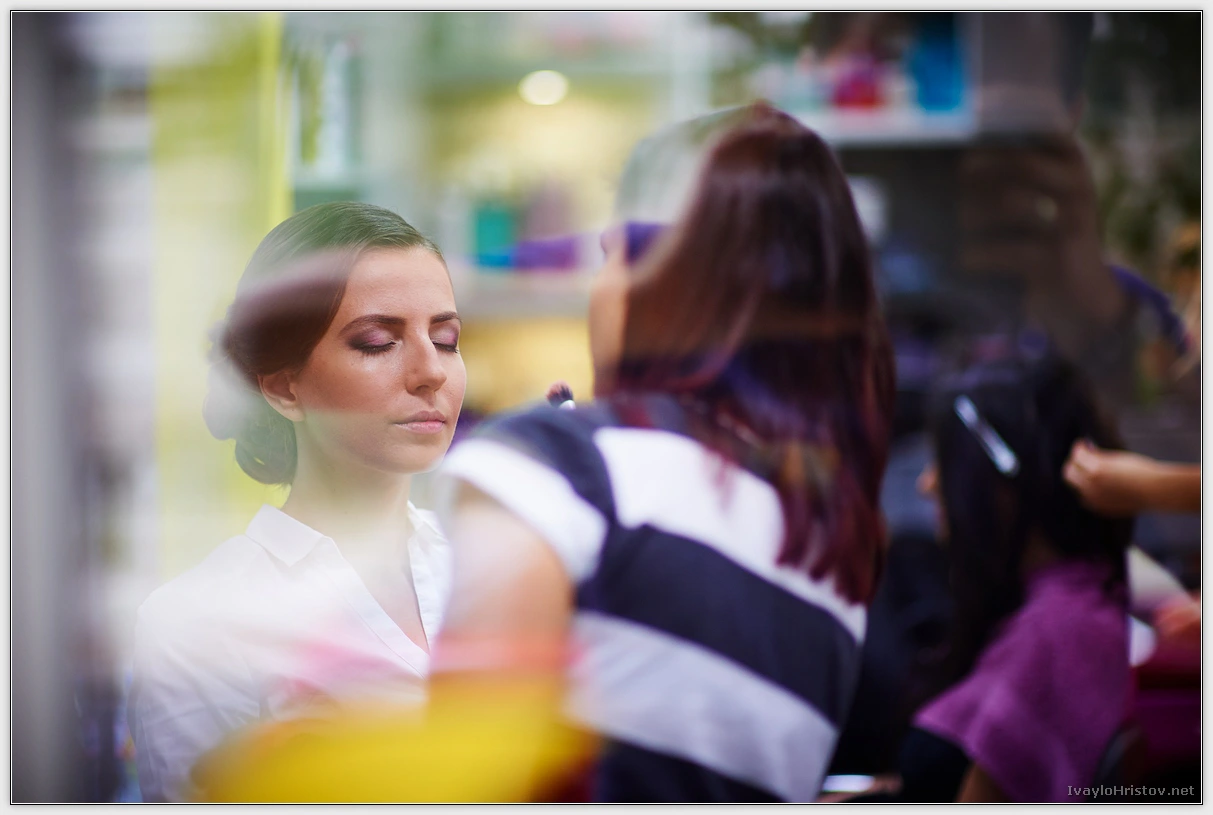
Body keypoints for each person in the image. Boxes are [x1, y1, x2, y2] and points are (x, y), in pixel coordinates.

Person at [428, 102, 896, 802]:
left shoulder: (564, 469)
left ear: (667, 278)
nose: (600, 288)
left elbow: (460, 778)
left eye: (612, 255)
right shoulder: (832, 555)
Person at [128, 202, 465, 802]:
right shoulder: (197, 620)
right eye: (378, 342)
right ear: (284, 387)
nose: (430, 371)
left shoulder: (498, 566)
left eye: (446, 339)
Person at [886, 353, 1135, 802]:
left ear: (1002, 487)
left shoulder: (1056, 635)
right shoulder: (1075, 604)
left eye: (945, 463)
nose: (927, 484)